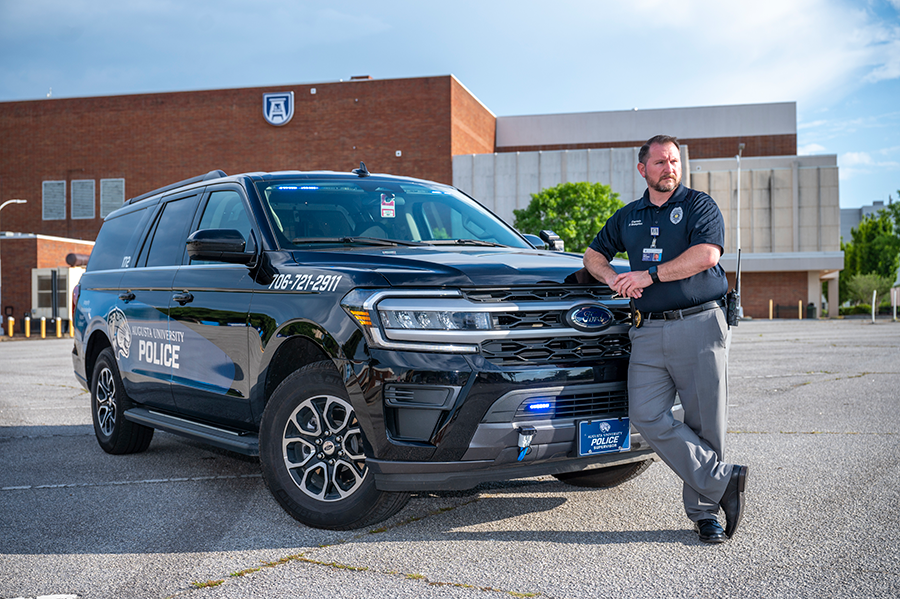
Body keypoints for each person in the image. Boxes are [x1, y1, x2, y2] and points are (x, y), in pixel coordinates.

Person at [583, 135, 748, 543]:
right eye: (659, 162)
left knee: (705, 423)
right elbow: (593, 255)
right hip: (648, 329)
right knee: (645, 414)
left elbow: (707, 255)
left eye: (673, 161)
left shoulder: (698, 206)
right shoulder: (628, 216)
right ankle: (722, 481)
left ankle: (705, 514)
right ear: (643, 169)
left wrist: (649, 275)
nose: (668, 168)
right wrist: (613, 279)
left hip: (699, 324)